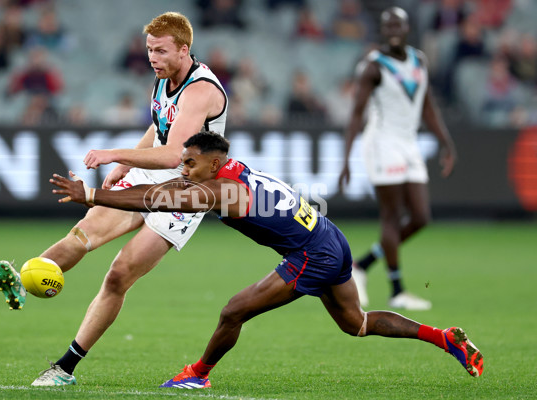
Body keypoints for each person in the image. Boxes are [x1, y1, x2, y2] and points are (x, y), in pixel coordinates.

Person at [50, 131, 483, 389]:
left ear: (215, 163)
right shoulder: (232, 169)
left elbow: (156, 199)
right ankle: (442, 337)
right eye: (183, 161)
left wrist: (90, 195)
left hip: (312, 253)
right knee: (358, 324)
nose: (183, 169)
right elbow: (172, 190)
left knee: (232, 312)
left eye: (191, 163)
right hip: (329, 236)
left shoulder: (222, 190)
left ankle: (197, 373)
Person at [0, 12, 228, 386]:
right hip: (149, 174)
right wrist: (129, 161)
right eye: (149, 49)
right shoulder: (165, 76)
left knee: (119, 275)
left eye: (161, 50)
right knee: (83, 234)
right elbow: (160, 123)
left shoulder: (202, 90)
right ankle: (25, 280)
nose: (152, 57)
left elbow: (173, 154)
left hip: (185, 192)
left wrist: (114, 155)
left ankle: (64, 368)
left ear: (185, 50)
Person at [338, 7, 457, 310]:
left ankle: (361, 265)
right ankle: (397, 290)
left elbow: (427, 105)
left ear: (407, 28)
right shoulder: (373, 67)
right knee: (391, 217)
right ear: (381, 29)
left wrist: (446, 142)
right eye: (387, 25)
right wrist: (346, 158)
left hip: (408, 143)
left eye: (397, 25)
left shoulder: (419, 59)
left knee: (420, 218)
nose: (392, 30)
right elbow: (355, 115)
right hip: (381, 143)